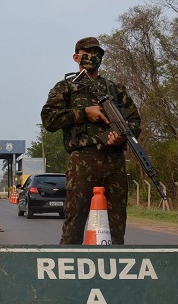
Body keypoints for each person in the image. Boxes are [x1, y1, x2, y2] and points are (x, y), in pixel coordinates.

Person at [40, 36, 141, 245]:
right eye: (87, 53)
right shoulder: (65, 88)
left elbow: (135, 121)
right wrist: (84, 113)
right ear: (76, 57)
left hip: (114, 160)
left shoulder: (115, 89)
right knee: (75, 217)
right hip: (83, 160)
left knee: (117, 221)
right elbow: (49, 119)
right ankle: (68, 268)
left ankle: (113, 267)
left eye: (97, 53)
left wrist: (121, 137)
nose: (92, 57)